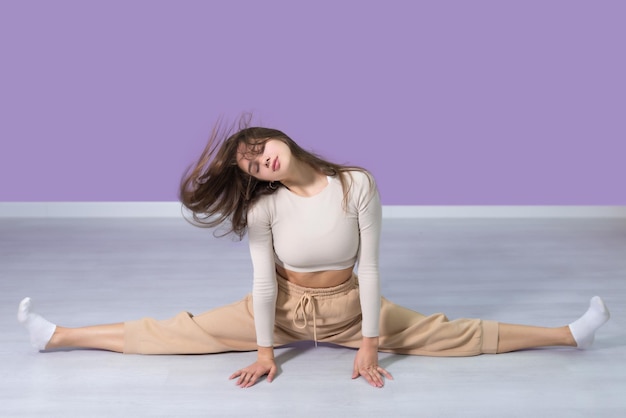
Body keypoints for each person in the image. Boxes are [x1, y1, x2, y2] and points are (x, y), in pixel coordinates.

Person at [17, 117, 611, 388]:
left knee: (445, 334)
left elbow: (372, 265)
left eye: (259, 148)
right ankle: (58, 336)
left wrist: (372, 342)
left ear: (279, 136)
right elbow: (265, 284)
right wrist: (266, 351)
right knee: (183, 330)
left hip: (351, 307)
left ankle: (569, 335)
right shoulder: (264, 207)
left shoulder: (357, 183)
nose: (261, 160)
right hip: (280, 308)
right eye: (250, 164)